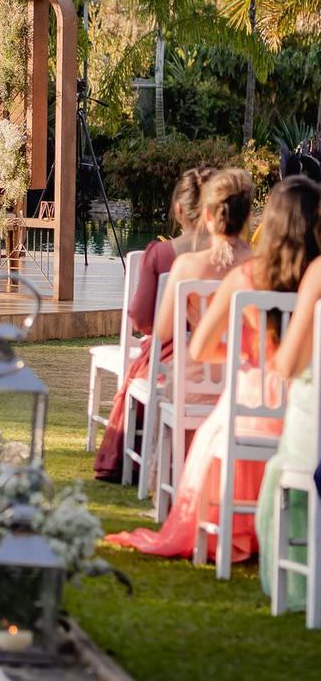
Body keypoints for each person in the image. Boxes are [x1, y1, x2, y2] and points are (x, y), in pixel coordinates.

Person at [106, 175, 321, 564]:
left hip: (249, 402)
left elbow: (193, 342)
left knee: (211, 437)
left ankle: (224, 522)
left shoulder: (247, 277)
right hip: (302, 407)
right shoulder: (310, 279)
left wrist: (243, 355)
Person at [93, 163, 221, 481]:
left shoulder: (162, 254)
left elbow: (143, 319)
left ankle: (135, 458)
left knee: (140, 372)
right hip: (226, 357)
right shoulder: (240, 260)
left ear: (179, 210)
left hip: (173, 356)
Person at [255, 247, 321, 608]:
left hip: (313, 432)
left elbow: (289, 363)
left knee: (284, 466)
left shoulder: (318, 273)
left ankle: (299, 575)